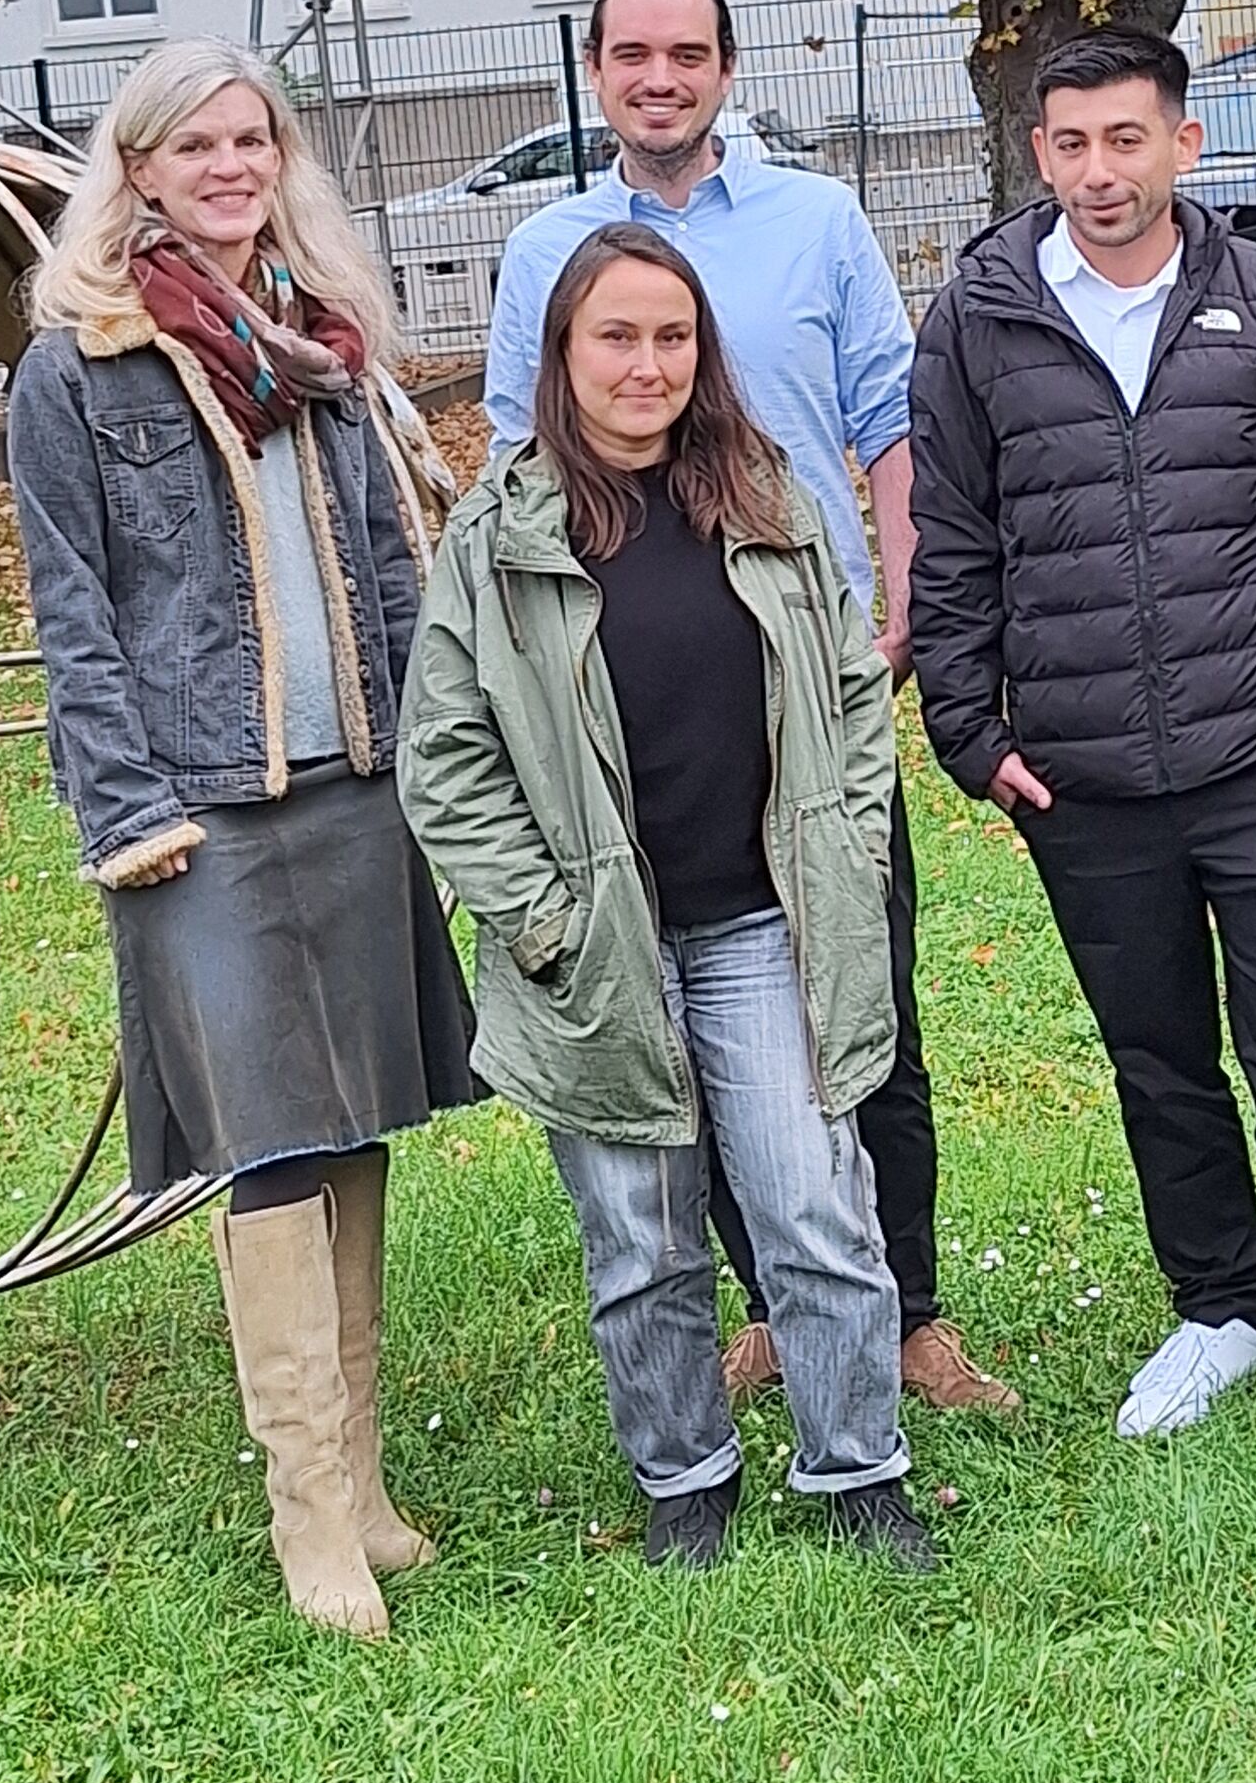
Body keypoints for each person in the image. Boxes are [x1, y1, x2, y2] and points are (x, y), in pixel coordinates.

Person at [483, 0, 1011, 1416]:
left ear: (726, 68)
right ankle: (779, 1309)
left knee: (861, 1002)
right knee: (684, 1015)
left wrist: (902, 605)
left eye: (687, 55)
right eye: (632, 55)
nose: (660, 80)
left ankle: (908, 1315)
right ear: (596, 71)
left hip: (806, 687)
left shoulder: (816, 222)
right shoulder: (544, 253)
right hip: (636, 706)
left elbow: (891, 425)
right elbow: (515, 467)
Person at [8, 42, 474, 1641]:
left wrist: (430, 753)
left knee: (355, 1120)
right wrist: (127, 806)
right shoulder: (80, 364)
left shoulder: (320, 342)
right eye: (193, 145)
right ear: (137, 168)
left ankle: (363, 1483)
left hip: (356, 786)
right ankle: (307, 1516)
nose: (228, 167)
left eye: (251, 139)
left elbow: (394, 566)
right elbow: (73, 613)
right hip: (199, 814)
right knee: (271, 1130)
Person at [907, 29, 1256, 1454]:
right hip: (1083, 775)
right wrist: (970, 728)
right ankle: (1219, 1309)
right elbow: (953, 532)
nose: (1098, 171)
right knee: (1159, 1054)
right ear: (1038, 152)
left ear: (1182, 145)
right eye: (1070, 143)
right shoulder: (979, 317)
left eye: (1126, 139)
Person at [402, 228, 938, 1570]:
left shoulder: (765, 496)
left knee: (814, 1213)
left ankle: (857, 1470)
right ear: (562, 355)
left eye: (671, 337)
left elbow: (850, 694)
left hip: (766, 925)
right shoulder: (500, 536)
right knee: (640, 1240)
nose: (646, 365)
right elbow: (446, 757)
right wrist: (544, 916)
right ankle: (686, 1477)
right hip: (597, 943)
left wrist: (847, 844)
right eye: (616, 337)